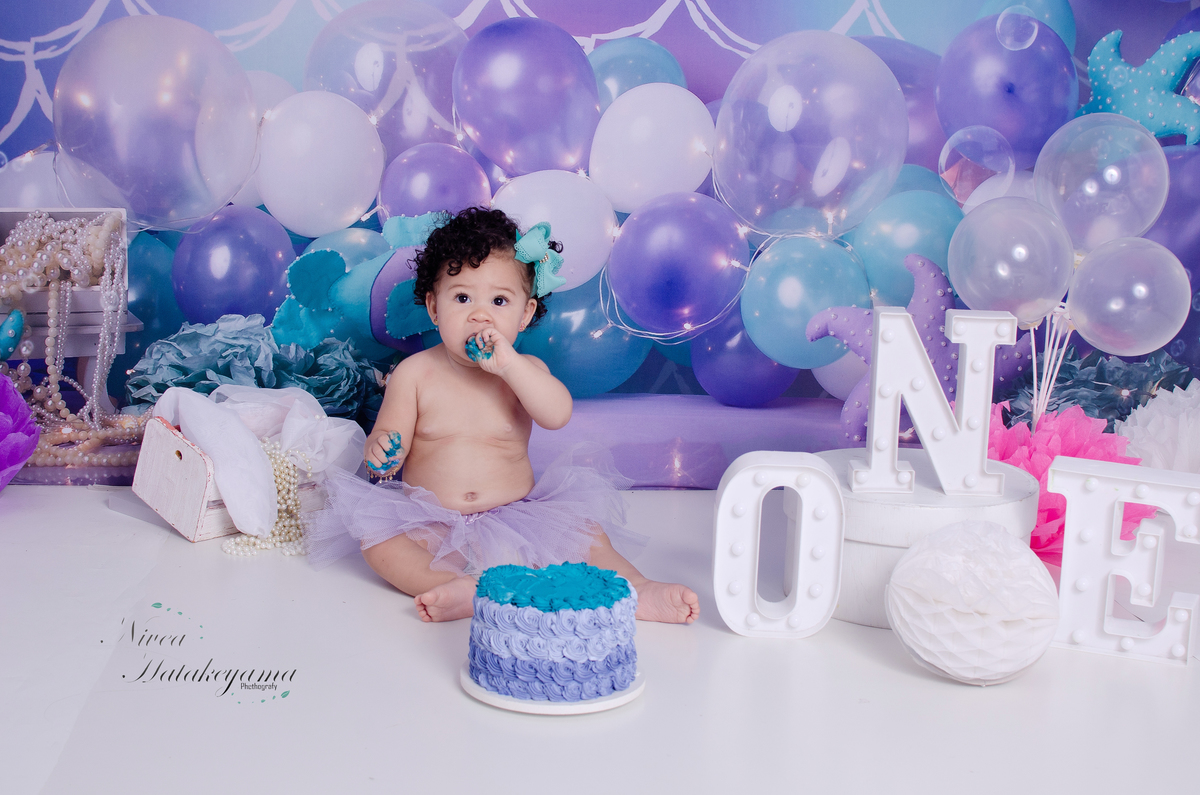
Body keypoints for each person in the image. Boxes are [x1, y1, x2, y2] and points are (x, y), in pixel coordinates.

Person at [308, 207, 699, 625]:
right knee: (379, 544)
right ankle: (458, 587)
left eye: (499, 301)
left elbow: (557, 414)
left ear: (525, 314)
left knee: (587, 536)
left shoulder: (525, 371)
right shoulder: (414, 374)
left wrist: (510, 366)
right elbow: (388, 436)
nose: (480, 314)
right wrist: (381, 450)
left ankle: (637, 589)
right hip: (432, 521)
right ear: (434, 308)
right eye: (462, 298)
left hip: (516, 517)